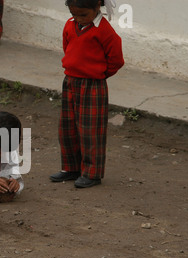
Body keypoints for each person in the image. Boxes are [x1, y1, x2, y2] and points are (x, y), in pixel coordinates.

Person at [49, 0, 124, 188]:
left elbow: (116, 60)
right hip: (71, 81)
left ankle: (92, 173)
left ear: (97, 7)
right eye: (75, 14)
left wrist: (98, 74)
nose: (79, 19)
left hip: (93, 85)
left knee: (91, 130)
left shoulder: (104, 31)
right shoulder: (69, 25)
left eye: (83, 15)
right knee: (67, 127)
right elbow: (67, 48)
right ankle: (71, 167)